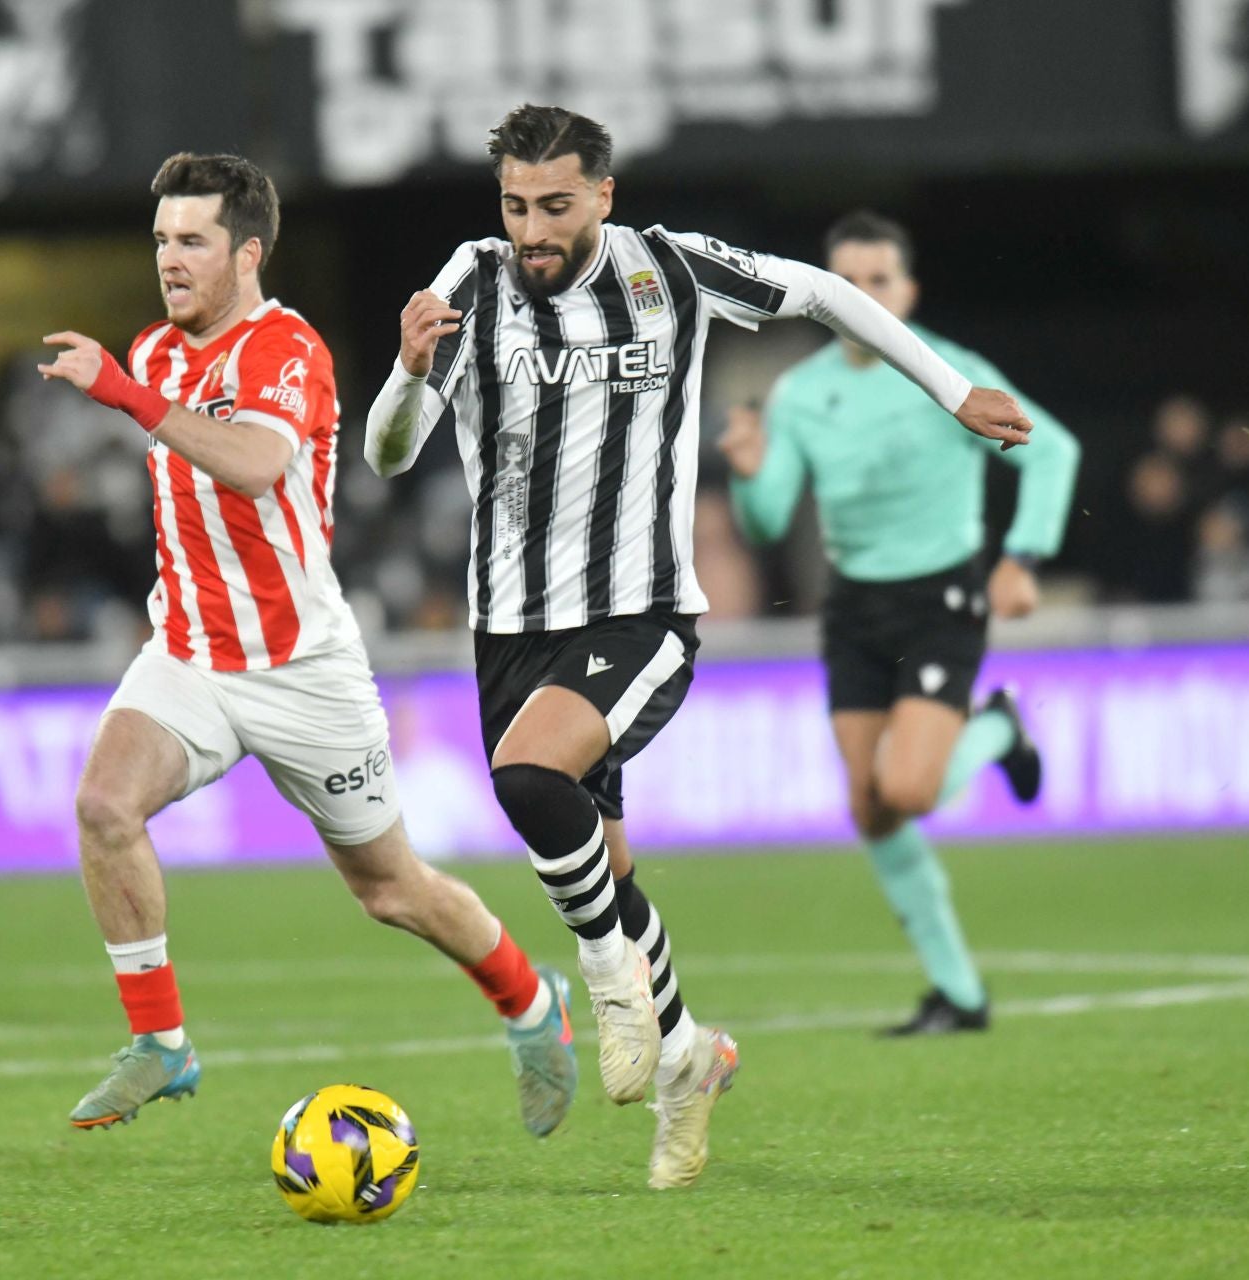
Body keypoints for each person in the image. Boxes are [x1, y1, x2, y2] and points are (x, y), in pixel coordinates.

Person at [364, 105, 1033, 1188]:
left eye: (555, 206)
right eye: (515, 206)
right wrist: (403, 372)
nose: (531, 229)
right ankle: (689, 1056)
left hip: (642, 615)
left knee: (532, 776)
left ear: (604, 196)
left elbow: (819, 289)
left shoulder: (670, 272)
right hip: (509, 629)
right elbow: (389, 455)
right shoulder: (473, 283)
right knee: (607, 872)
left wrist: (952, 391)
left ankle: (606, 985)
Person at [36, 152, 575, 1136]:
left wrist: (125, 396)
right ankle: (161, 1041)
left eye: (191, 238)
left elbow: (256, 461)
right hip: (191, 650)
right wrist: (134, 386)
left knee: (391, 889)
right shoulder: (155, 353)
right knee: (105, 804)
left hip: (302, 670)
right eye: (161, 239)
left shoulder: (287, 349)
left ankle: (532, 1001)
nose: (170, 258)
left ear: (247, 251)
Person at [719, 213, 1082, 1035]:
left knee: (910, 788)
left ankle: (996, 727)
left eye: (878, 280)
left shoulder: (952, 373)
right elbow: (771, 518)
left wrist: (1022, 556)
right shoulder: (802, 392)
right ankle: (958, 992)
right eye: (845, 282)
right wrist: (747, 475)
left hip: (939, 599)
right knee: (871, 807)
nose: (861, 295)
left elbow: (1053, 451)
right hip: (853, 608)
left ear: (907, 291)